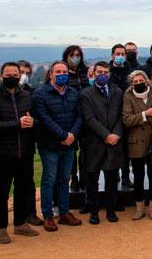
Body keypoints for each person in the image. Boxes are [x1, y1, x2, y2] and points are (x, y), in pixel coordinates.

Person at [0, 62, 40, 243]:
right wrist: (17, 123)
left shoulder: (26, 96)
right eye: (8, 74)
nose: (13, 77)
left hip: (24, 151)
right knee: (1, 191)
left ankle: (20, 223)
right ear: (1, 76)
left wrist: (33, 123)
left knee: (22, 189)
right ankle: (0, 227)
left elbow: (36, 119)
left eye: (16, 74)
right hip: (2, 153)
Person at [33, 61, 83, 231]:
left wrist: (72, 135)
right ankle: (48, 215)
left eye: (64, 71)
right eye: (58, 71)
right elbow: (44, 119)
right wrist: (63, 135)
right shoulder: (40, 94)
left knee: (64, 180)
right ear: (51, 74)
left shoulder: (73, 93)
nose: (62, 74)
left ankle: (64, 212)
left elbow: (79, 116)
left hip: (69, 144)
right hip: (50, 145)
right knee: (49, 180)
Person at [79, 61, 125, 224]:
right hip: (94, 143)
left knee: (112, 179)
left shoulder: (117, 91)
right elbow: (89, 119)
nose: (102, 74)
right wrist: (106, 135)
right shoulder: (86, 94)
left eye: (105, 72)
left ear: (110, 74)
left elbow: (121, 115)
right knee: (92, 180)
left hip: (114, 142)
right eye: (99, 72)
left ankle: (111, 210)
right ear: (94, 73)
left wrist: (116, 134)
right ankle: (93, 211)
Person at [122, 70, 152, 220]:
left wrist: (150, 118)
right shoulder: (128, 97)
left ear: (146, 80)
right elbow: (127, 119)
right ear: (131, 84)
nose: (138, 83)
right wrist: (146, 115)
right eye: (135, 82)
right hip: (136, 142)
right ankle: (139, 207)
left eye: (141, 80)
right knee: (138, 176)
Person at [17, 59, 45, 226]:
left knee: (28, 181)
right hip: (6, 144)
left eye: (27, 73)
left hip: (27, 142)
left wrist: (33, 122)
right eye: (21, 72)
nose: (23, 76)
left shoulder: (32, 93)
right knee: (3, 185)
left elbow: (39, 118)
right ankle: (1, 216)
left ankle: (31, 213)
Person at [62, 45, 90, 192]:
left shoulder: (86, 72)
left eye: (78, 55)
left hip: (85, 115)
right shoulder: (63, 73)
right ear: (66, 56)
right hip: (70, 117)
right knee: (71, 150)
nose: (75, 58)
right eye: (72, 55)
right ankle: (73, 177)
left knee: (85, 150)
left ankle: (84, 177)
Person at [107, 44, 132, 189]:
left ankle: (126, 177)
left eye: (123, 54)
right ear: (112, 55)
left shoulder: (130, 71)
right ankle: (115, 177)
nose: (121, 56)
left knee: (127, 149)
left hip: (128, 112)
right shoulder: (108, 72)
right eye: (118, 54)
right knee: (115, 148)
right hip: (113, 114)